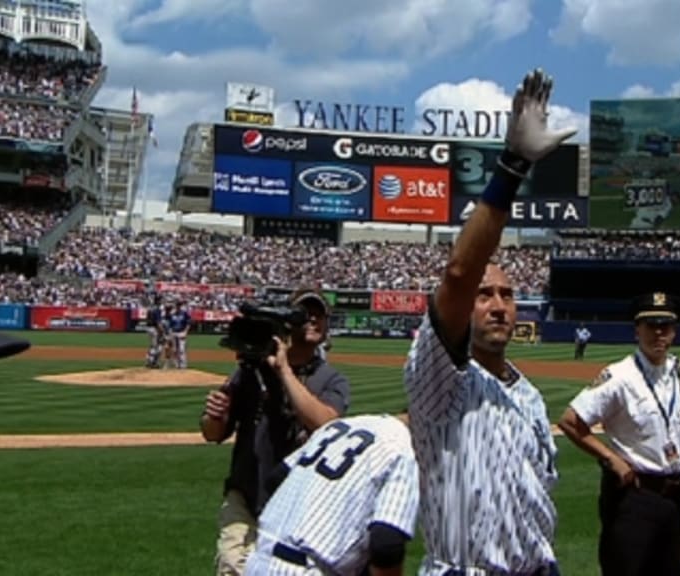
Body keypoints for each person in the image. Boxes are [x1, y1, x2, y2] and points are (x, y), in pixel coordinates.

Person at [402, 67, 576, 576]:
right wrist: (513, 166)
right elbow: (458, 272)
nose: (498, 304)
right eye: (485, 295)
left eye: (507, 294)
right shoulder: (439, 380)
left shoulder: (528, 394)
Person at [558, 292, 680, 576]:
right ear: (637, 330)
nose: (658, 333)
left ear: (674, 331)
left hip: (675, 497)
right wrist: (610, 458)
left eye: (665, 326)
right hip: (633, 497)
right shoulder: (619, 376)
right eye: (650, 325)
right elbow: (571, 421)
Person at [201, 287, 353, 576]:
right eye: (304, 314)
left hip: (301, 502)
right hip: (247, 493)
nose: (312, 320)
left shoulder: (331, 379)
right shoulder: (252, 370)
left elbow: (326, 423)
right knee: (233, 566)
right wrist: (215, 415)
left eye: (319, 315)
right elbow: (212, 433)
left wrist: (284, 370)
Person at [243, 412, 419, 576]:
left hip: (258, 561)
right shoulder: (403, 448)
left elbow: (275, 479)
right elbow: (386, 544)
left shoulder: (340, 425)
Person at [168, 300, 192, 369]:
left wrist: (186, 331)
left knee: (181, 350)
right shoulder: (172, 314)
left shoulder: (184, 313)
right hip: (174, 332)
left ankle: (183, 365)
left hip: (181, 332)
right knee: (174, 350)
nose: (178, 306)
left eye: (179, 305)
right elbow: (170, 325)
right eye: (177, 305)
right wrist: (170, 333)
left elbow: (189, 323)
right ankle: (176, 365)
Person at [144, 298, 164, 368]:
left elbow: (147, 319)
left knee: (152, 345)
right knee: (154, 346)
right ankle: (151, 362)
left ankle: (149, 361)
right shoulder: (157, 309)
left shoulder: (150, 309)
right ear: (158, 301)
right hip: (154, 329)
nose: (162, 301)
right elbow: (158, 323)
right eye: (161, 300)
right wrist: (162, 331)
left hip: (148, 328)